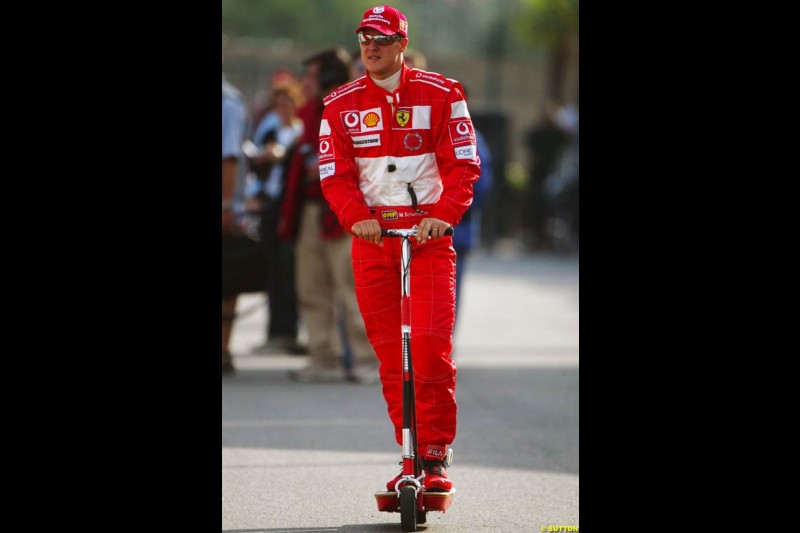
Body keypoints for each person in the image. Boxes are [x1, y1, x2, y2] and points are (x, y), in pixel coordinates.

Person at [318, 5, 481, 492]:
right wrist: (358, 219)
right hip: (372, 242)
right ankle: (408, 454)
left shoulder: (443, 94)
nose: (371, 46)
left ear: (402, 44)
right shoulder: (338, 104)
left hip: (428, 241)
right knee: (393, 357)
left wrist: (443, 214)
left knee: (429, 347)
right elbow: (334, 175)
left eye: (383, 39)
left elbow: (464, 165)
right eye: (365, 38)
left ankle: (434, 458)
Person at [278, 48, 379, 384]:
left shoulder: (357, 106)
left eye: (309, 75)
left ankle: (368, 359)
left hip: (346, 210)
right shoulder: (309, 112)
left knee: (353, 288)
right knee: (312, 285)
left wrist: (329, 166)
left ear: (326, 77)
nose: (302, 82)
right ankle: (324, 356)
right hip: (310, 208)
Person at [244, 81, 308, 355]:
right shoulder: (270, 128)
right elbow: (254, 165)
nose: (283, 109)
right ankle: (275, 331)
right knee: (272, 270)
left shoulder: (301, 132)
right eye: (279, 104)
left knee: (289, 270)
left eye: (287, 103)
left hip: (291, 207)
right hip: (270, 205)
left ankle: (288, 331)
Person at [222, 73, 249, 374]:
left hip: (224, 204)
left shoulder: (227, 103)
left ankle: (224, 349)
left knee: (227, 281)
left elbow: (228, 157)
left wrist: (227, 205)